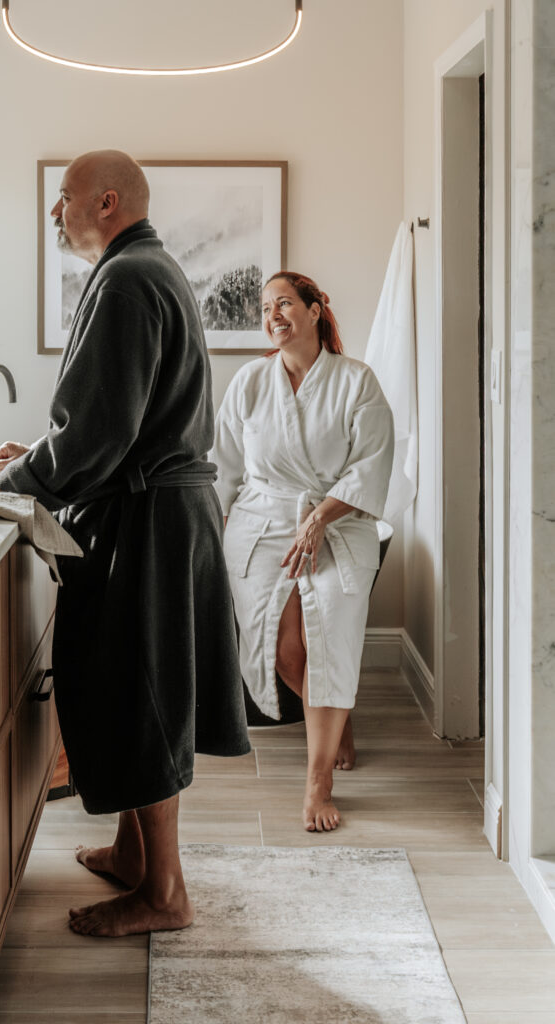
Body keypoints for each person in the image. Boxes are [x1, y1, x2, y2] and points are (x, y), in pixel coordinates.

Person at [0, 149, 250, 936]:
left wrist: (14, 482)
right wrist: (38, 457)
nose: (55, 212)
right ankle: (131, 854)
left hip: (147, 520)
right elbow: (113, 422)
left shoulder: (125, 279)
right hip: (163, 512)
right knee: (134, 687)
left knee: (138, 693)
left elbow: (98, 430)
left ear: (106, 202)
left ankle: (165, 895)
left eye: (64, 198)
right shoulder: (150, 267)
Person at [212, 271, 393, 832]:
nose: (274, 315)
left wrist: (318, 517)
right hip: (261, 524)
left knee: (330, 632)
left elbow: (371, 466)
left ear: (316, 311)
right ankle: (334, 715)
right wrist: (206, 536)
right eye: (266, 308)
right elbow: (224, 469)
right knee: (288, 649)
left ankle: (318, 783)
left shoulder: (357, 381)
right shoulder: (248, 382)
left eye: (285, 303)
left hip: (337, 522)